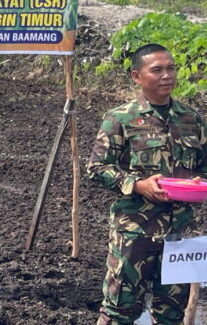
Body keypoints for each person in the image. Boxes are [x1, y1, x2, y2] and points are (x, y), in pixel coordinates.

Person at [87, 43, 207, 324]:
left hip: (180, 231)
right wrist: (137, 185)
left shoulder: (191, 119)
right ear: (137, 77)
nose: (167, 75)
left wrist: (199, 181)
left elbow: (203, 165)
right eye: (157, 70)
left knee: (171, 313)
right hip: (135, 232)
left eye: (171, 68)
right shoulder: (120, 118)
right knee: (120, 310)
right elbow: (97, 168)